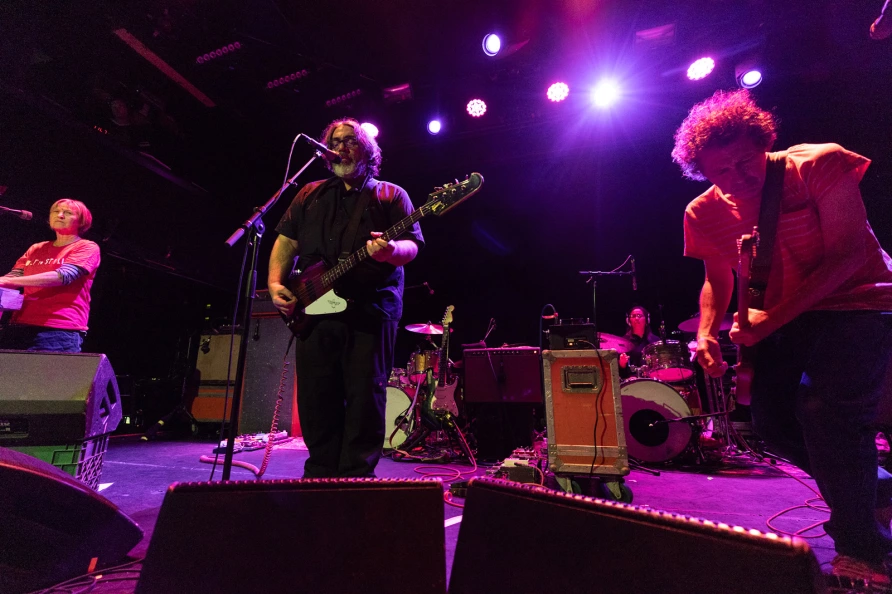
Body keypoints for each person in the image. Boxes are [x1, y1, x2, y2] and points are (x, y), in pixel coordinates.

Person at [673, 89, 892, 583]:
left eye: (744, 161)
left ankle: (863, 552)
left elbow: (846, 256)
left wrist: (768, 321)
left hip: (857, 303)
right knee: (770, 424)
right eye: (720, 171)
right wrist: (706, 334)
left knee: (825, 412)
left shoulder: (820, 164)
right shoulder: (701, 212)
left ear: (764, 141)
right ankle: (873, 487)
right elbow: (717, 280)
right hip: (784, 319)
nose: (736, 178)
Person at [268, 118, 424, 478]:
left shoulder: (390, 194)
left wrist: (389, 251)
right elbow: (287, 241)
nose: (341, 147)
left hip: (370, 310)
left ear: (368, 150)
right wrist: (275, 282)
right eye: (335, 142)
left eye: (350, 141)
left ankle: (356, 478)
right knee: (316, 396)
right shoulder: (309, 194)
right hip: (313, 308)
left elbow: (412, 246)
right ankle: (320, 474)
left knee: (364, 397)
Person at [0, 199, 101, 352]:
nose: (60, 215)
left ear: (81, 221)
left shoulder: (87, 247)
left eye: (67, 213)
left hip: (58, 329)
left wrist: (7, 281)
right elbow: (13, 277)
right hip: (19, 325)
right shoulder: (37, 248)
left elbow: (63, 276)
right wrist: (5, 281)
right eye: (56, 211)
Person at [618, 306, 660, 379]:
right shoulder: (623, 342)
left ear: (647, 320)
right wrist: (622, 364)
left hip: (652, 380)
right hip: (631, 381)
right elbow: (620, 373)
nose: (636, 318)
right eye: (633, 316)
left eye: (639, 316)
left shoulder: (655, 341)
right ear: (628, 321)